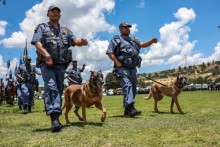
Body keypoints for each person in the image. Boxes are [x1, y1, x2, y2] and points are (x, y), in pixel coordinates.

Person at [31, 5, 88, 132]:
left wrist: (82, 41)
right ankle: (54, 118)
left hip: (61, 65)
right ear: (48, 14)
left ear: (60, 15)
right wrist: (47, 56)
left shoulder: (65, 31)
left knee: (59, 89)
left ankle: (55, 114)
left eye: (57, 12)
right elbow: (37, 43)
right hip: (47, 64)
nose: (55, 13)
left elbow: (75, 40)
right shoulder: (42, 27)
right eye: (53, 11)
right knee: (51, 86)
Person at [106, 22, 157, 117]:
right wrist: (117, 63)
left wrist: (151, 41)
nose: (127, 29)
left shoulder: (133, 40)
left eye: (128, 27)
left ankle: (127, 111)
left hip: (132, 68)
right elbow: (110, 52)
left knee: (133, 88)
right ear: (120, 29)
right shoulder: (117, 39)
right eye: (125, 27)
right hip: (122, 68)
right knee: (127, 85)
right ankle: (131, 108)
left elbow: (142, 44)